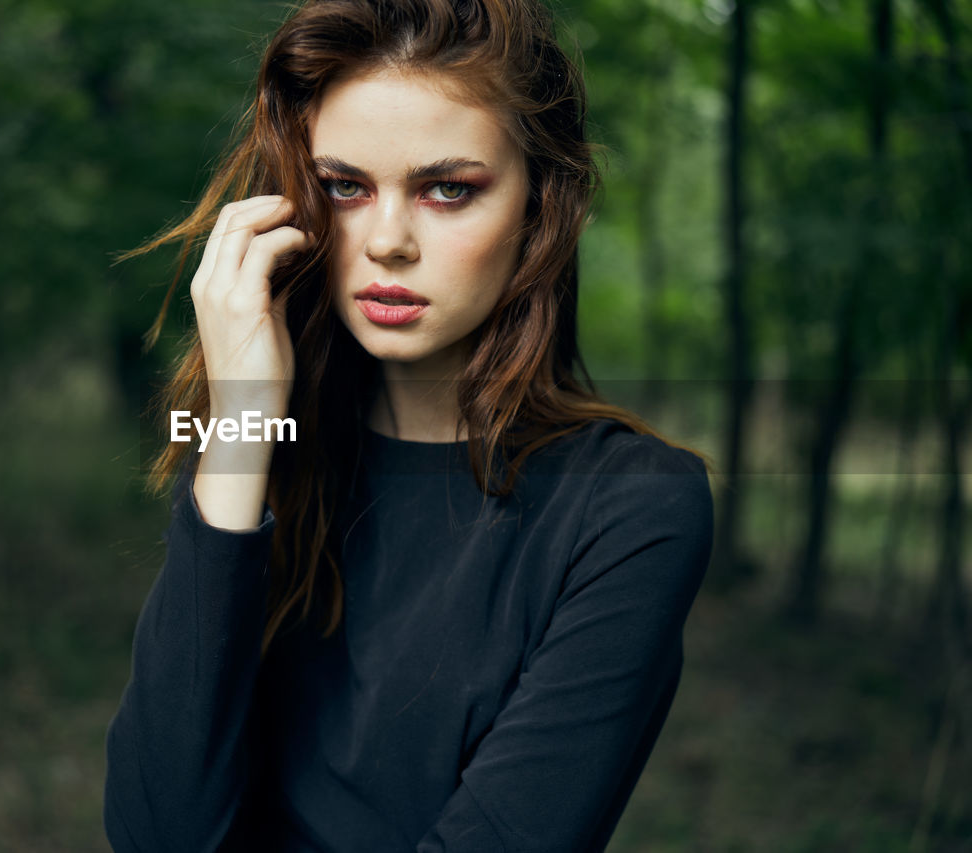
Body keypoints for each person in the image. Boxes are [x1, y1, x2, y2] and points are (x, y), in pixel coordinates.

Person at [105, 0, 714, 850]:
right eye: (344, 186)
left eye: (448, 188)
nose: (387, 240)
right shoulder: (271, 457)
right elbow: (156, 831)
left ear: (542, 206)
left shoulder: (631, 506)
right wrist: (244, 421)